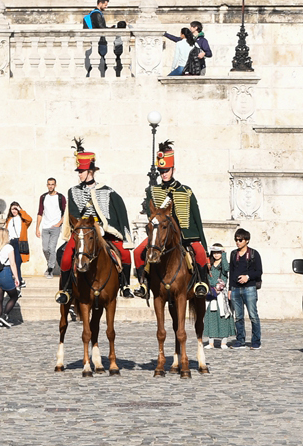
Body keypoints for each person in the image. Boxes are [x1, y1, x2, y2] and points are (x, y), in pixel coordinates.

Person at [56, 140, 134, 304]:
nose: (79, 174)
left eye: (82, 171)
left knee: (125, 254)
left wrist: (109, 229)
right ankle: (65, 289)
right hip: (83, 232)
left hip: (105, 233)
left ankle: (125, 285)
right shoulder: (73, 192)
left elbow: (119, 213)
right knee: (65, 256)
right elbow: (75, 215)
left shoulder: (108, 191)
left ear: (90, 171)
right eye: (79, 171)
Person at [133, 140, 212, 299]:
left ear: (173, 169)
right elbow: (151, 216)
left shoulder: (186, 191)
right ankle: (144, 284)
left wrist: (203, 244)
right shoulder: (153, 192)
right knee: (137, 252)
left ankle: (201, 283)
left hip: (185, 234)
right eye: (162, 171)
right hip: (161, 235)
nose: (164, 174)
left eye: (167, 170)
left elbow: (196, 218)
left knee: (199, 252)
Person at [226, 229, 263, 349]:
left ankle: (256, 341)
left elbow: (259, 272)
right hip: (236, 289)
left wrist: (247, 277)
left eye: (240, 240)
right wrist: (230, 289)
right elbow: (231, 272)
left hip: (249, 288)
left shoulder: (253, 254)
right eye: (236, 240)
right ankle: (240, 340)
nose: (238, 242)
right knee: (238, 317)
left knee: (253, 315)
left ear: (246, 240)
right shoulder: (233, 254)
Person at [203, 244, 234, 348]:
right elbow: (206, 276)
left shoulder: (223, 263)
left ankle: (223, 342)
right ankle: (211, 342)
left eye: (218, 252)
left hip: (221, 293)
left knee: (223, 315)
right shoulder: (210, 264)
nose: (216, 255)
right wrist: (211, 286)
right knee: (211, 315)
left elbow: (226, 269)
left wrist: (224, 254)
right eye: (215, 252)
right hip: (211, 292)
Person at [0, 227, 19, 327]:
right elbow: (13, 264)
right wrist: (16, 278)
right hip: (5, 273)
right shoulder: (9, 247)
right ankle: (4, 315)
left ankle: (0, 322)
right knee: (14, 296)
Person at [37, 178, 66, 277]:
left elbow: (65, 213)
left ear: (55, 185)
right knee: (45, 249)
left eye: (52, 184)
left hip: (55, 227)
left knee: (51, 248)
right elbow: (40, 213)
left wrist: (59, 223)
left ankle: (50, 269)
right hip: (45, 227)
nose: (50, 186)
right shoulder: (43, 197)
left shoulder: (60, 197)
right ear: (47, 185)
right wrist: (37, 227)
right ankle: (50, 264)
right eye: (49, 184)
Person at [4, 201, 33, 287]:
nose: (14, 211)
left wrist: (20, 210)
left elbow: (30, 219)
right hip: (10, 242)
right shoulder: (9, 219)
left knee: (17, 262)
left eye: (16, 209)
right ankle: (19, 280)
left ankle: (18, 281)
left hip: (19, 242)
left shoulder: (22, 219)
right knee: (10, 262)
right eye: (13, 209)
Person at [82, 0, 110, 77]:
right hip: (101, 41)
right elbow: (101, 27)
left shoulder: (95, 13)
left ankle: (89, 75)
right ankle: (109, 75)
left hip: (99, 40)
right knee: (107, 59)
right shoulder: (97, 14)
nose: (106, 7)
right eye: (105, 5)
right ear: (100, 3)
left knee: (97, 59)